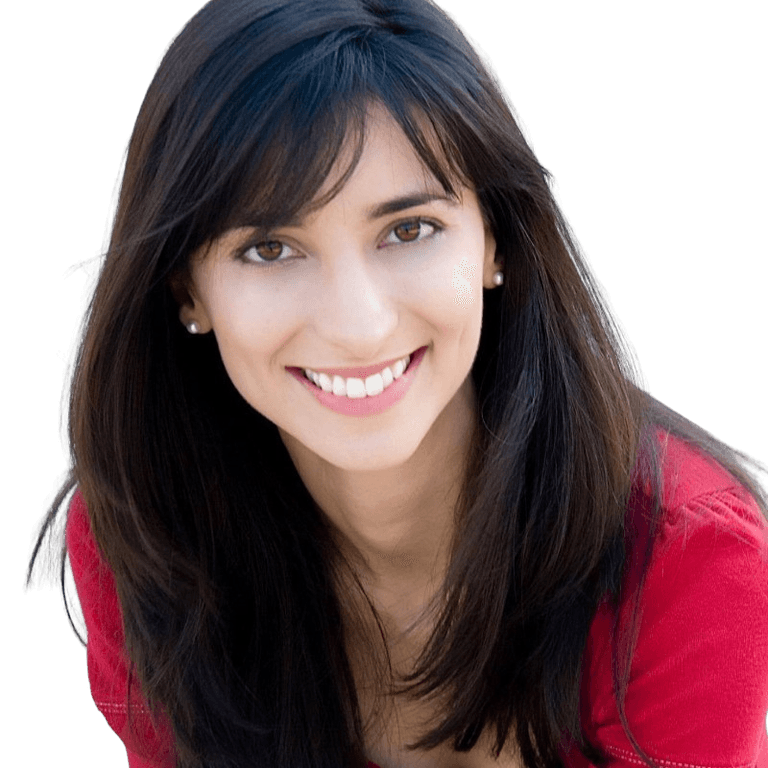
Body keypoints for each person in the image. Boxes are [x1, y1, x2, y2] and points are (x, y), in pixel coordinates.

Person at [34, 0, 768, 767]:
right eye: (270, 249)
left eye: (409, 230)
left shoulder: (683, 560)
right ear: (188, 292)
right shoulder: (146, 538)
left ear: (495, 245)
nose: (358, 326)